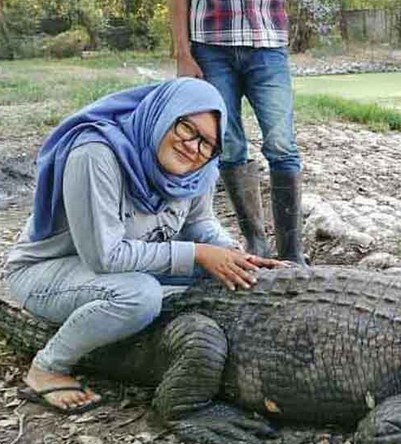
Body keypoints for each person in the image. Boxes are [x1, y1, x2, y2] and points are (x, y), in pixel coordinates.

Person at [3, 78, 284, 415]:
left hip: (123, 266)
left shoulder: (199, 169)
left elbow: (200, 225)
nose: (193, 147)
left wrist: (235, 256)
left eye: (207, 143)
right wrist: (196, 253)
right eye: (186, 128)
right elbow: (104, 256)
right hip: (48, 271)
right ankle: (47, 367)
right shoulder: (95, 153)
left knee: (224, 275)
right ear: (163, 114)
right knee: (139, 295)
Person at [169, 0, 307, 266]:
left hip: (267, 45)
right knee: (227, 145)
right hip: (210, 47)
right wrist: (183, 55)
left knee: (282, 144)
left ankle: (292, 253)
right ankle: (256, 242)